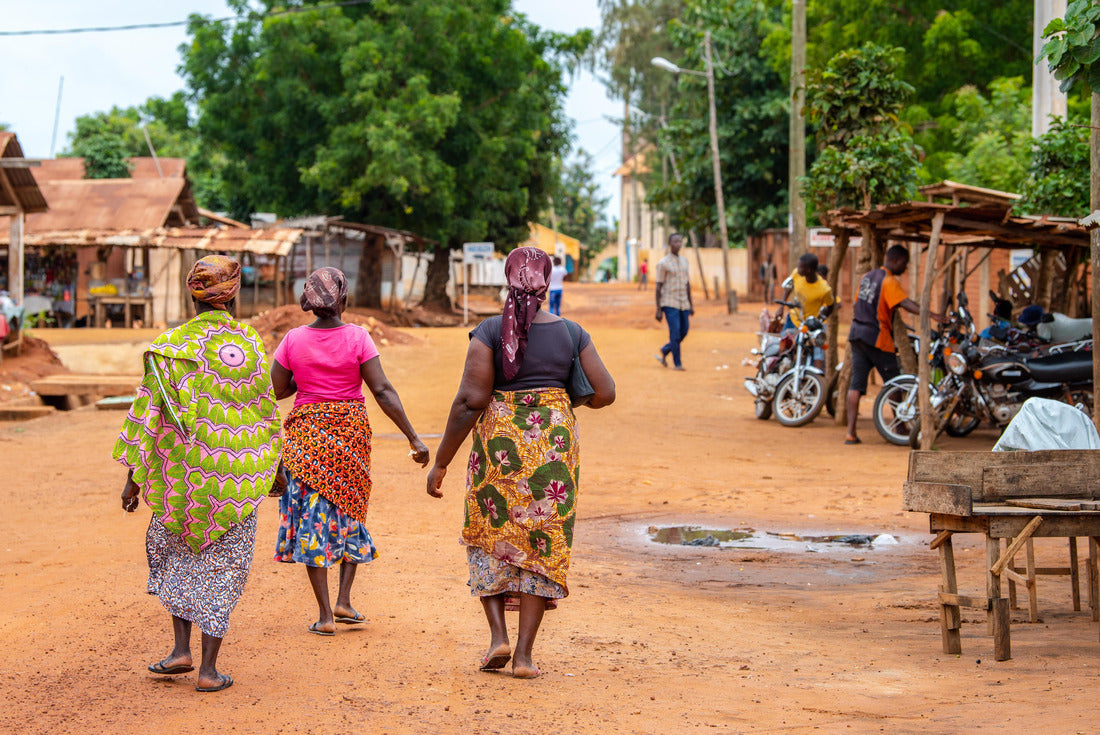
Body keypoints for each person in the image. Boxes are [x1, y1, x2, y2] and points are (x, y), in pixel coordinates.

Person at [425, 247, 615, 679]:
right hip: (553, 448)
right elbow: (605, 392)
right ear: (547, 284)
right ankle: (525, 657)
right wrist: (558, 404)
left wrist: (442, 462)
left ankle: (498, 638)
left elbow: (470, 401)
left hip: (502, 446)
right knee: (539, 544)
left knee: (489, 531)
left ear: (508, 279)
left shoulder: (490, 331)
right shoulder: (573, 333)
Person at [115, 255, 282, 693]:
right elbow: (264, 412)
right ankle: (208, 669)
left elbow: (147, 413)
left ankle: (179, 650)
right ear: (234, 292)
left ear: (193, 294)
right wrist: (273, 469)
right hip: (236, 475)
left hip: (181, 478)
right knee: (223, 569)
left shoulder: (170, 346)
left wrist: (134, 477)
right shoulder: (247, 343)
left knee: (177, 558)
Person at [271, 267, 429, 636]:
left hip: (306, 438)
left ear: (309, 301)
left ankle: (326, 614)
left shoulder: (293, 339)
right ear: (344, 299)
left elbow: (276, 390)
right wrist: (413, 438)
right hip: (349, 436)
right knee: (349, 509)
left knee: (312, 519)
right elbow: (383, 391)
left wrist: (303, 376)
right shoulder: (359, 337)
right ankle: (344, 599)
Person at [845, 245, 942, 444]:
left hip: (856, 334)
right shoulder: (889, 281)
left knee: (856, 385)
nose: (905, 269)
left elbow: (857, 304)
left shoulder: (867, 277)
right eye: (904, 264)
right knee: (894, 382)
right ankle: (899, 426)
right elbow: (905, 303)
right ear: (896, 260)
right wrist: (932, 315)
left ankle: (850, 433)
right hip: (877, 338)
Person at [654, 232, 693, 370]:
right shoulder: (663, 264)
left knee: (684, 331)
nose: (678, 244)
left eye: (679, 241)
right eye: (675, 242)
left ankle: (665, 349)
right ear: (670, 243)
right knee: (675, 333)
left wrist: (691, 304)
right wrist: (658, 309)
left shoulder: (684, 261)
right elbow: (658, 287)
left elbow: (687, 284)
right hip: (669, 303)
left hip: (684, 302)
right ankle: (677, 363)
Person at [778, 252, 835, 331]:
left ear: (808, 270)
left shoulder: (824, 289)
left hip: (809, 327)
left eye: (800, 267)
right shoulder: (796, 274)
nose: (797, 269)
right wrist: (781, 307)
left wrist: (819, 321)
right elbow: (788, 287)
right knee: (784, 342)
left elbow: (831, 306)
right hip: (792, 321)